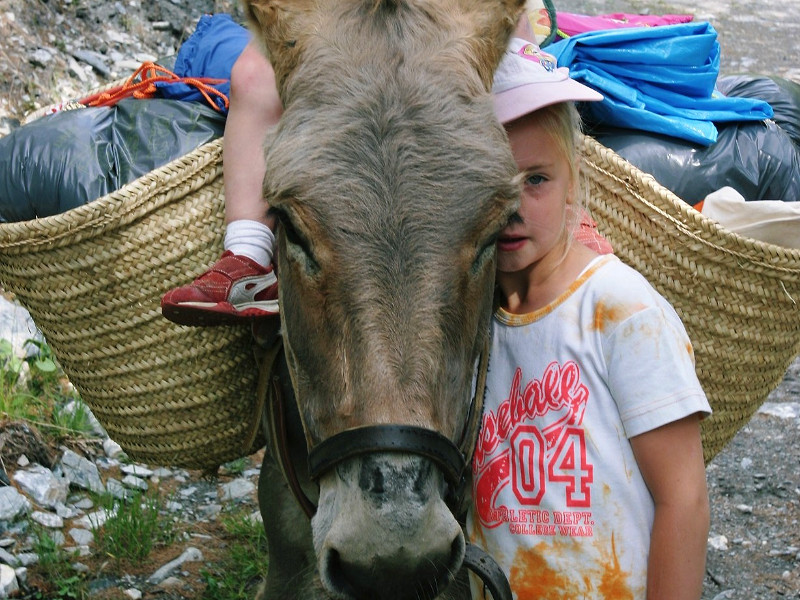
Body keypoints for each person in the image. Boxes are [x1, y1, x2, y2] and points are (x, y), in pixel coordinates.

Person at [468, 38, 711, 600]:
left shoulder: (619, 308)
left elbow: (684, 499)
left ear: (575, 182)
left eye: (536, 180)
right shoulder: (471, 321)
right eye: (491, 181)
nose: (512, 206)